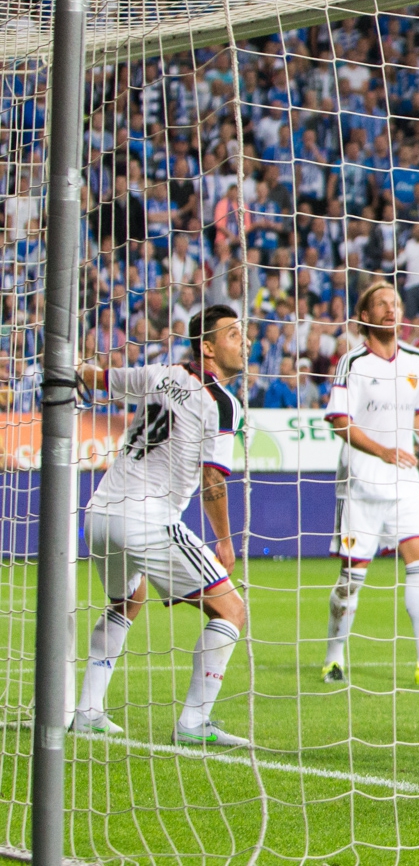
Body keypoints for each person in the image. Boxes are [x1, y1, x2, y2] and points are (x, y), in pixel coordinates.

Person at [72, 305, 252, 746]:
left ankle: (88, 711)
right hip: (147, 519)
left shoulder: (157, 374)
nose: (244, 341)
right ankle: (194, 723)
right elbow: (213, 479)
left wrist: (70, 364)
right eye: (233, 334)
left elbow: (98, 378)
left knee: (127, 599)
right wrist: (224, 542)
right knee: (232, 610)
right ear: (207, 347)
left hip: (99, 515)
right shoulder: (222, 404)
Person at [321, 282, 419, 687]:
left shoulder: (416, 360)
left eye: (396, 303)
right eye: (381, 303)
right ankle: (334, 656)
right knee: (353, 577)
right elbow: (339, 422)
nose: (391, 308)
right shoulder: (352, 363)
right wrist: (383, 451)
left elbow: (418, 411)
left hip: (405, 480)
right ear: (364, 317)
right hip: (361, 483)